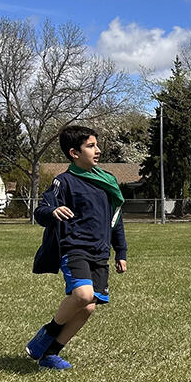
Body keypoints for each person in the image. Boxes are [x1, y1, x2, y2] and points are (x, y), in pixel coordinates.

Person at [25, 126, 128, 369]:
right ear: (74, 153)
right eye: (91, 146)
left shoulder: (106, 182)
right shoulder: (64, 182)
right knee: (83, 295)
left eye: (96, 145)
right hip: (75, 249)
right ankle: (46, 333)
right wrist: (53, 211)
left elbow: (116, 221)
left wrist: (120, 252)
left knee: (89, 306)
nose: (98, 150)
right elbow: (40, 211)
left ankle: (50, 355)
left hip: (100, 252)